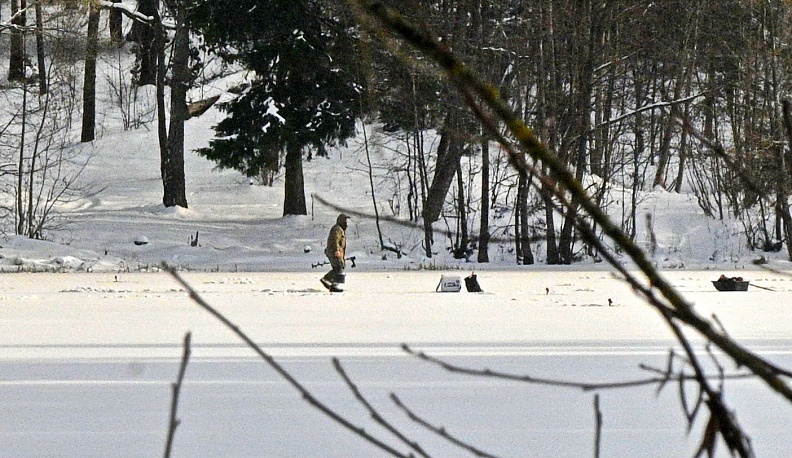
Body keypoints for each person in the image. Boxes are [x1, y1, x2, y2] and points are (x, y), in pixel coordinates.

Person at [320, 213, 350, 292]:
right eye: (345, 221)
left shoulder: (340, 229)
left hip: (337, 252)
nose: (346, 223)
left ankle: (332, 283)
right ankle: (328, 281)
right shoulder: (337, 229)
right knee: (338, 268)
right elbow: (335, 239)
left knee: (339, 267)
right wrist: (336, 250)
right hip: (334, 252)